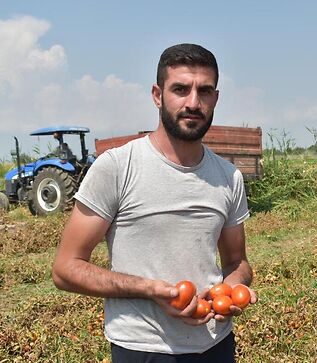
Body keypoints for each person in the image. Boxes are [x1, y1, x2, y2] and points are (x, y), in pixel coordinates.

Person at [52, 43, 256, 362]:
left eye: (204, 91)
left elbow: (237, 261)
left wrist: (231, 290)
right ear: (157, 95)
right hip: (143, 350)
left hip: (216, 346)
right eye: (180, 89)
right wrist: (150, 289)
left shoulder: (228, 176)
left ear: (215, 98)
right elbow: (66, 269)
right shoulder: (118, 167)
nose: (193, 102)